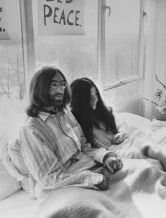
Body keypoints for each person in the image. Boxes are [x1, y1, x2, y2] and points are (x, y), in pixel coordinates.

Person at [7, 67, 122, 199]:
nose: (60, 89)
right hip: (62, 187)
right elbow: (49, 178)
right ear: (40, 89)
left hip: (91, 168)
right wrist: (89, 178)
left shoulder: (65, 113)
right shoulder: (30, 129)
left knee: (137, 173)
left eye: (62, 84)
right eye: (54, 84)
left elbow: (85, 148)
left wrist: (106, 157)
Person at [70, 78, 128, 149]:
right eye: (90, 96)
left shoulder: (104, 111)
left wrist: (121, 133)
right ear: (79, 100)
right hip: (111, 154)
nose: (95, 98)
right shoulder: (76, 124)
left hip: (123, 145)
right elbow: (89, 150)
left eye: (96, 94)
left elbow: (121, 123)